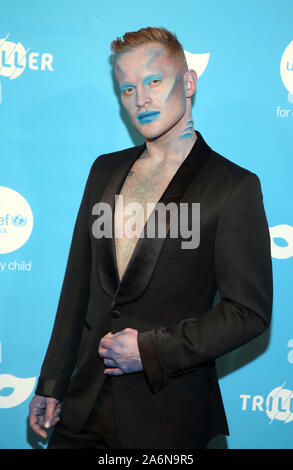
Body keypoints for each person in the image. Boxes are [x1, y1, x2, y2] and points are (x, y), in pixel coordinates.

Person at [29, 26, 273, 449]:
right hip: (82, 410)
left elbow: (248, 312)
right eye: (127, 88)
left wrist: (151, 350)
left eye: (153, 81)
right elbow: (76, 290)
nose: (140, 98)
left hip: (169, 418)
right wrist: (51, 381)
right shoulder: (104, 171)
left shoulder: (232, 186)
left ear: (189, 81)